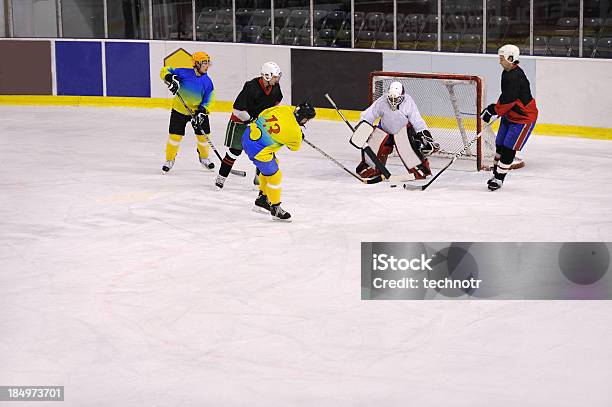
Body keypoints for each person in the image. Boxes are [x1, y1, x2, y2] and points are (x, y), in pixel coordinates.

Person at [242, 102, 316, 221]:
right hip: (257, 149)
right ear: (304, 118)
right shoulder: (295, 133)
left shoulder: (284, 109)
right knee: (275, 176)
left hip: (248, 133)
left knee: (271, 167)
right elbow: (294, 148)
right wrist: (300, 137)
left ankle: (262, 199)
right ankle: (275, 209)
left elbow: (263, 113)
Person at [215, 62, 284, 189]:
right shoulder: (251, 87)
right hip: (241, 122)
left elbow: (276, 104)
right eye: (275, 77)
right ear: (267, 76)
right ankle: (221, 178)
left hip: (260, 124)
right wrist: (250, 121)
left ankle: (259, 179)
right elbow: (237, 109)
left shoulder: (275, 87)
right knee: (234, 151)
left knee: (264, 151)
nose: (277, 79)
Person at [481, 44, 538, 191]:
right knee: (499, 145)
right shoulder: (507, 72)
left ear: (510, 58)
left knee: (508, 148)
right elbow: (505, 97)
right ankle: (496, 173)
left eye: (502, 58)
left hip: (522, 119)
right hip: (510, 115)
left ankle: (499, 178)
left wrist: (492, 110)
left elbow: (508, 99)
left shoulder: (515, 76)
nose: (499, 61)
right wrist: (494, 109)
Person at [355, 81, 439, 180]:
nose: (393, 101)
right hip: (384, 131)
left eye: (396, 98)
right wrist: (361, 128)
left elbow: (417, 122)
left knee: (413, 157)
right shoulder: (382, 101)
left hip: (403, 133)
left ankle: (420, 168)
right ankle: (370, 166)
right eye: (391, 98)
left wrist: (427, 138)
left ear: (402, 96)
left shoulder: (408, 101)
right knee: (373, 143)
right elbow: (369, 115)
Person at [160, 51, 215, 174]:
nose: (207, 66)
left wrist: (202, 111)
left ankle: (204, 157)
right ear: (196, 64)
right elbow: (164, 70)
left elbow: (209, 99)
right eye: (204, 63)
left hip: (197, 113)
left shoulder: (208, 82)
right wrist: (170, 78)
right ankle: (169, 159)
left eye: (207, 63)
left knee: (204, 137)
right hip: (179, 111)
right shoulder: (183, 72)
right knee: (174, 137)